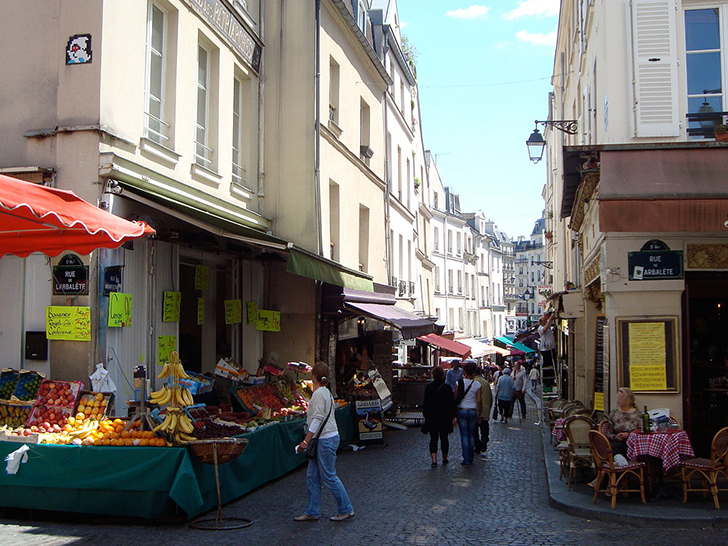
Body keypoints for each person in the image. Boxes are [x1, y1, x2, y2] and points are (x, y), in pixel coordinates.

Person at [295, 362, 354, 522]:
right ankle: (312, 511)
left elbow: (317, 419)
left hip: (324, 439)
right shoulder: (325, 392)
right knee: (312, 476)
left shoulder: (319, 394)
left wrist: (306, 441)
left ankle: (346, 508)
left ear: (314, 376)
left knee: (328, 476)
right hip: (325, 438)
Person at [422, 366, 457, 467]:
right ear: (443, 375)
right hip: (444, 416)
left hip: (432, 416)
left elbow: (426, 402)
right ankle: (445, 458)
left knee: (433, 438)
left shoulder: (428, 387)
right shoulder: (447, 388)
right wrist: (453, 415)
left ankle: (434, 460)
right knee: (444, 438)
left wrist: (425, 413)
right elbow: (451, 403)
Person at [453, 360, 482, 465]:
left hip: (461, 410)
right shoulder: (477, 384)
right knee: (471, 435)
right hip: (473, 410)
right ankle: (471, 456)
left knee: (464, 435)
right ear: (474, 372)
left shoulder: (458, 383)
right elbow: (479, 401)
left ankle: (466, 458)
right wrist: (480, 413)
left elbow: (455, 397)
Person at [604, 387, 643, 457]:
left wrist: (630, 435)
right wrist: (617, 437)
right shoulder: (614, 414)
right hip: (618, 443)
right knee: (614, 448)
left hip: (634, 444)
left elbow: (642, 432)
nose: (617, 400)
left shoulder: (638, 415)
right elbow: (608, 434)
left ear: (628, 400)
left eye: (620, 398)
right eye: (617, 398)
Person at [472, 363, 493, 459]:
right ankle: (484, 440)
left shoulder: (473, 383)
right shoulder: (485, 383)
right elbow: (490, 398)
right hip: (485, 410)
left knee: (475, 430)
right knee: (484, 428)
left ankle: (477, 446)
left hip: (475, 410)